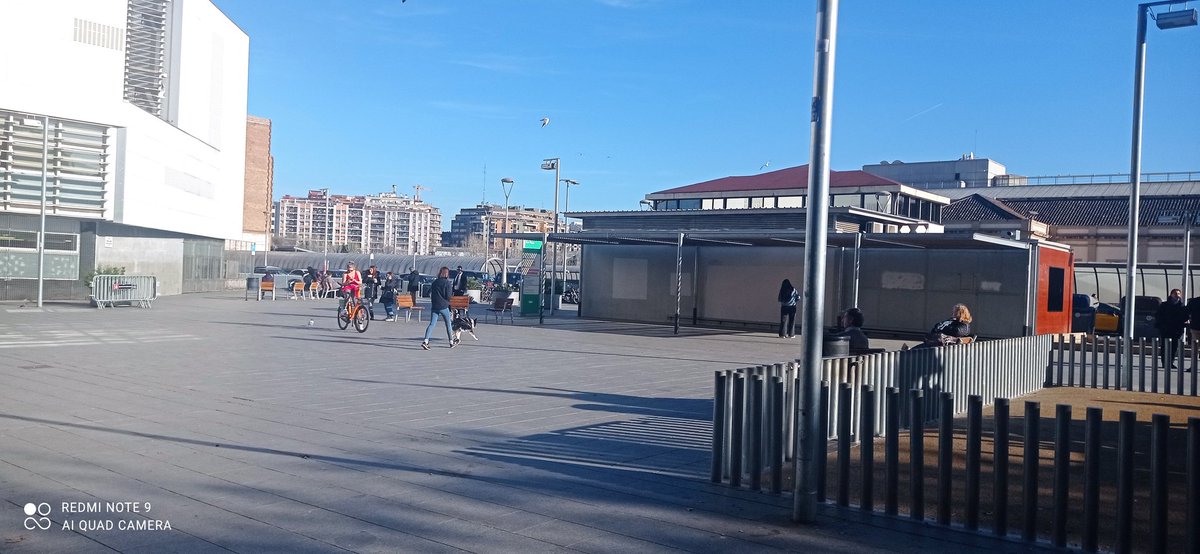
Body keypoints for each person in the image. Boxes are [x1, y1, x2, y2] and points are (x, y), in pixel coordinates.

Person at [421, 266, 457, 350]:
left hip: (435, 306)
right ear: (447, 274)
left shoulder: (435, 282)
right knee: (448, 324)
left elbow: (430, 293)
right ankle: (451, 342)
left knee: (432, 324)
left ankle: (425, 341)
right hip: (444, 306)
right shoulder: (447, 283)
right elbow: (448, 296)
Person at [1154, 288, 1188, 368]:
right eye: (1175, 293)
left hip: (1177, 330)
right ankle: (1164, 362)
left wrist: (1184, 322)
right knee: (1164, 346)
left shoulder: (1182, 306)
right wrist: (1162, 325)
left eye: (1178, 294)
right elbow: (1158, 315)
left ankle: (1170, 362)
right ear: (1171, 295)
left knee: (1174, 347)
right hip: (1166, 329)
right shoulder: (1164, 305)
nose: (1177, 295)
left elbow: (1185, 316)